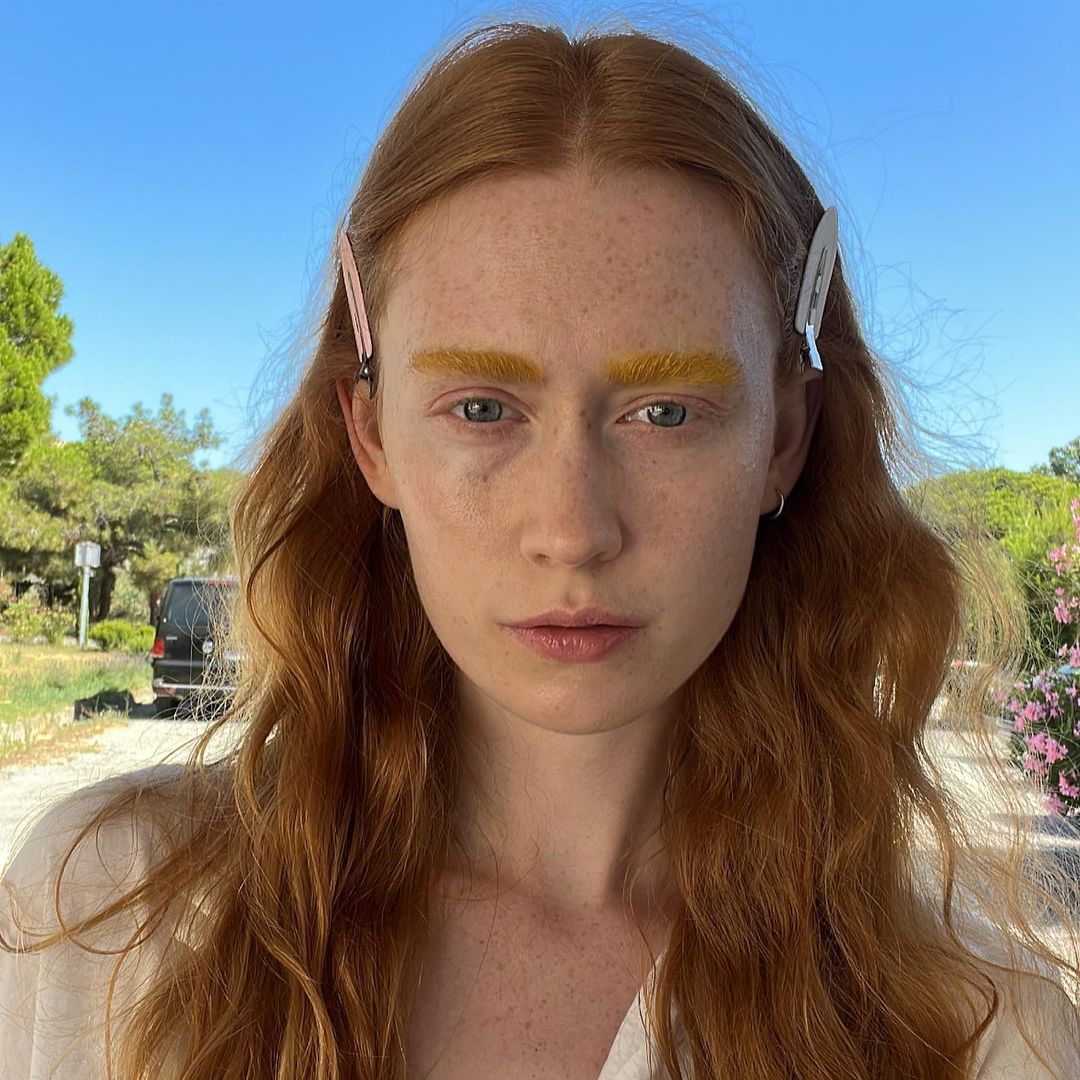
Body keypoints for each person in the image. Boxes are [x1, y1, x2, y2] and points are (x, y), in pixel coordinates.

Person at [3, 18, 1079, 1080]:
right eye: (482, 408)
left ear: (784, 440)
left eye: (666, 413)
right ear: (371, 436)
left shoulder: (973, 1026)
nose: (572, 532)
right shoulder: (108, 922)